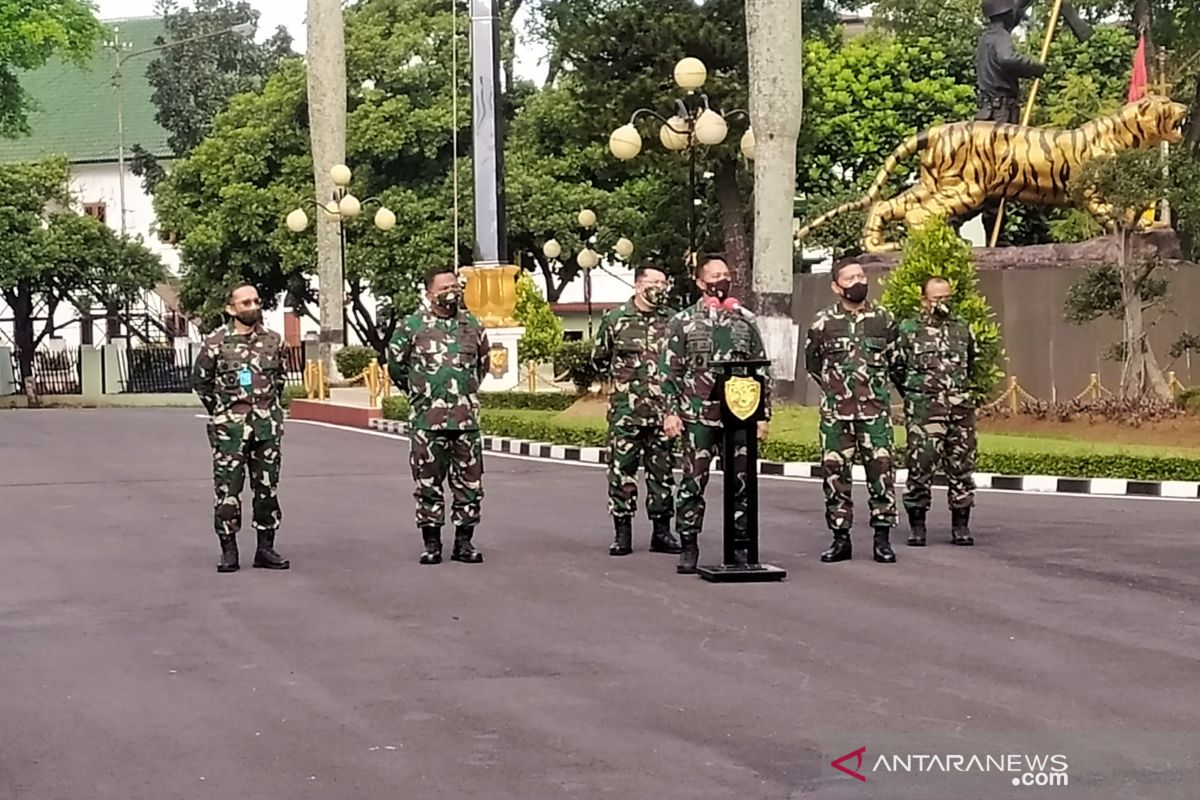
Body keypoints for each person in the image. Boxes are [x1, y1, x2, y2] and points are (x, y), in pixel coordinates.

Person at [661, 254, 772, 574]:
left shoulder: (744, 321)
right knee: (693, 482)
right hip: (697, 415)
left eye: (725, 274)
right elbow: (670, 370)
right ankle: (689, 542)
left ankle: (740, 545)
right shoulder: (683, 322)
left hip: (739, 416)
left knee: (741, 481)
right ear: (700, 282)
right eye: (714, 275)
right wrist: (671, 413)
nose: (721, 280)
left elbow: (760, 369)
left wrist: (763, 415)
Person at [387, 265, 490, 565]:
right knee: (428, 484)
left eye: (454, 286)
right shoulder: (412, 326)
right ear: (429, 293)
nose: (451, 292)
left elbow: (481, 366)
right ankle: (431, 543)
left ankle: (464, 543)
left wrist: (463, 394)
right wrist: (420, 394)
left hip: (465, 421)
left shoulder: (472, 325)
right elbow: (396, 366)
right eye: (443, 288)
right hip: (427, 422)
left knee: (469, 484)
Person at [804, 261, 903, 564]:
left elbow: (897, 362)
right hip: (837, 414)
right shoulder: (822, 323)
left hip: (875, 414)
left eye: (861, 276)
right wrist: (838, 392)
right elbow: (813, 365)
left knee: (882, 474)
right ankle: (840, 538)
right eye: (850, 278)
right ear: (837, 286)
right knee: (835, 476)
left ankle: (882, 540)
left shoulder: (884, 320)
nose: (858, 281)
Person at [191, 284, 290, 573]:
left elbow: (280, 381)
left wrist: (267, 411)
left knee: (267, 490)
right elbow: (201, 383)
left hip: (266, 429)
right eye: (245, 302)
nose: (253, 306)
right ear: (231, 308)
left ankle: (265, 548)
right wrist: (223, 413)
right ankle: (229, 550)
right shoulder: (216, 343)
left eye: (256, 301)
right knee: (227, 490)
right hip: (230, 432)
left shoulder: (274, 341)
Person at [591, 265, 681, 557]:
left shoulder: (673, 321)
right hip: (626, 412)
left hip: (663, 411)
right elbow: (600, 359)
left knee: (663, 473)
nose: (659, 287)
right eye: (653, 281)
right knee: (621, 471)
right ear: (638, 284)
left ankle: (662, 532)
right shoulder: (615, 319)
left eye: (663, 282)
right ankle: (622, 532)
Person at [895, 277, 978, 546]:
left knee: (962, 466)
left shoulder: (962, 329)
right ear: (924, 300)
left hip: (959, 410)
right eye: (936, 299)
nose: (942, 304)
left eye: (946, 298)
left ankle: (961, 526)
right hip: (924, 412)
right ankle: (917, 526)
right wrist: (915, 395)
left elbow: (971, 363)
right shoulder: (909, 330)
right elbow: (897, 367)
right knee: (920, 466)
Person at [975, 0, 1045, 241]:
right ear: (1007, 16)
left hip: (989, 113)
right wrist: (1035, 68)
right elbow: (1007, 59)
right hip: (1001, 114)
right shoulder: (1000, 37)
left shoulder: (987, 38)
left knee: (992, 175)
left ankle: (994, 236)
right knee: (1000, 175)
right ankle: (994, 235)